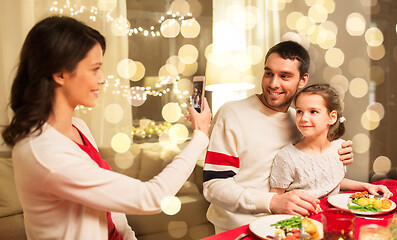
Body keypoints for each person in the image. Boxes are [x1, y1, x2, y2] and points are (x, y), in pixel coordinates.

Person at [1, 16, 212, 240]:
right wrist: (199, 136)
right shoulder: (42, 152)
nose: (102, 79)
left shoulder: (78, 127)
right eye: (95, 69)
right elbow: (152, 197)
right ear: (60, 74)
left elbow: (111, 211)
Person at [202, 41, 354, 233]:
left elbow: (313, 165)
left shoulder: (299, 120)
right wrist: (272, 202)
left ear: (302, 80)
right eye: (268, 74)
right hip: (237, 228)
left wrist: (339, 153)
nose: (274, 84)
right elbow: (214, 184)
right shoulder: (232, 113)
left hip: (289, 226)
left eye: (285, 76)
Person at [269, 84, 392, 199]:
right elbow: (276, 198)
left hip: (333, 216)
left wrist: (367, 186)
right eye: (299, 111)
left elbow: (333, 182)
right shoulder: (287, 157)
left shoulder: (339, 148)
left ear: (332, 117)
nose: (304, 118)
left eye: (313, 111)